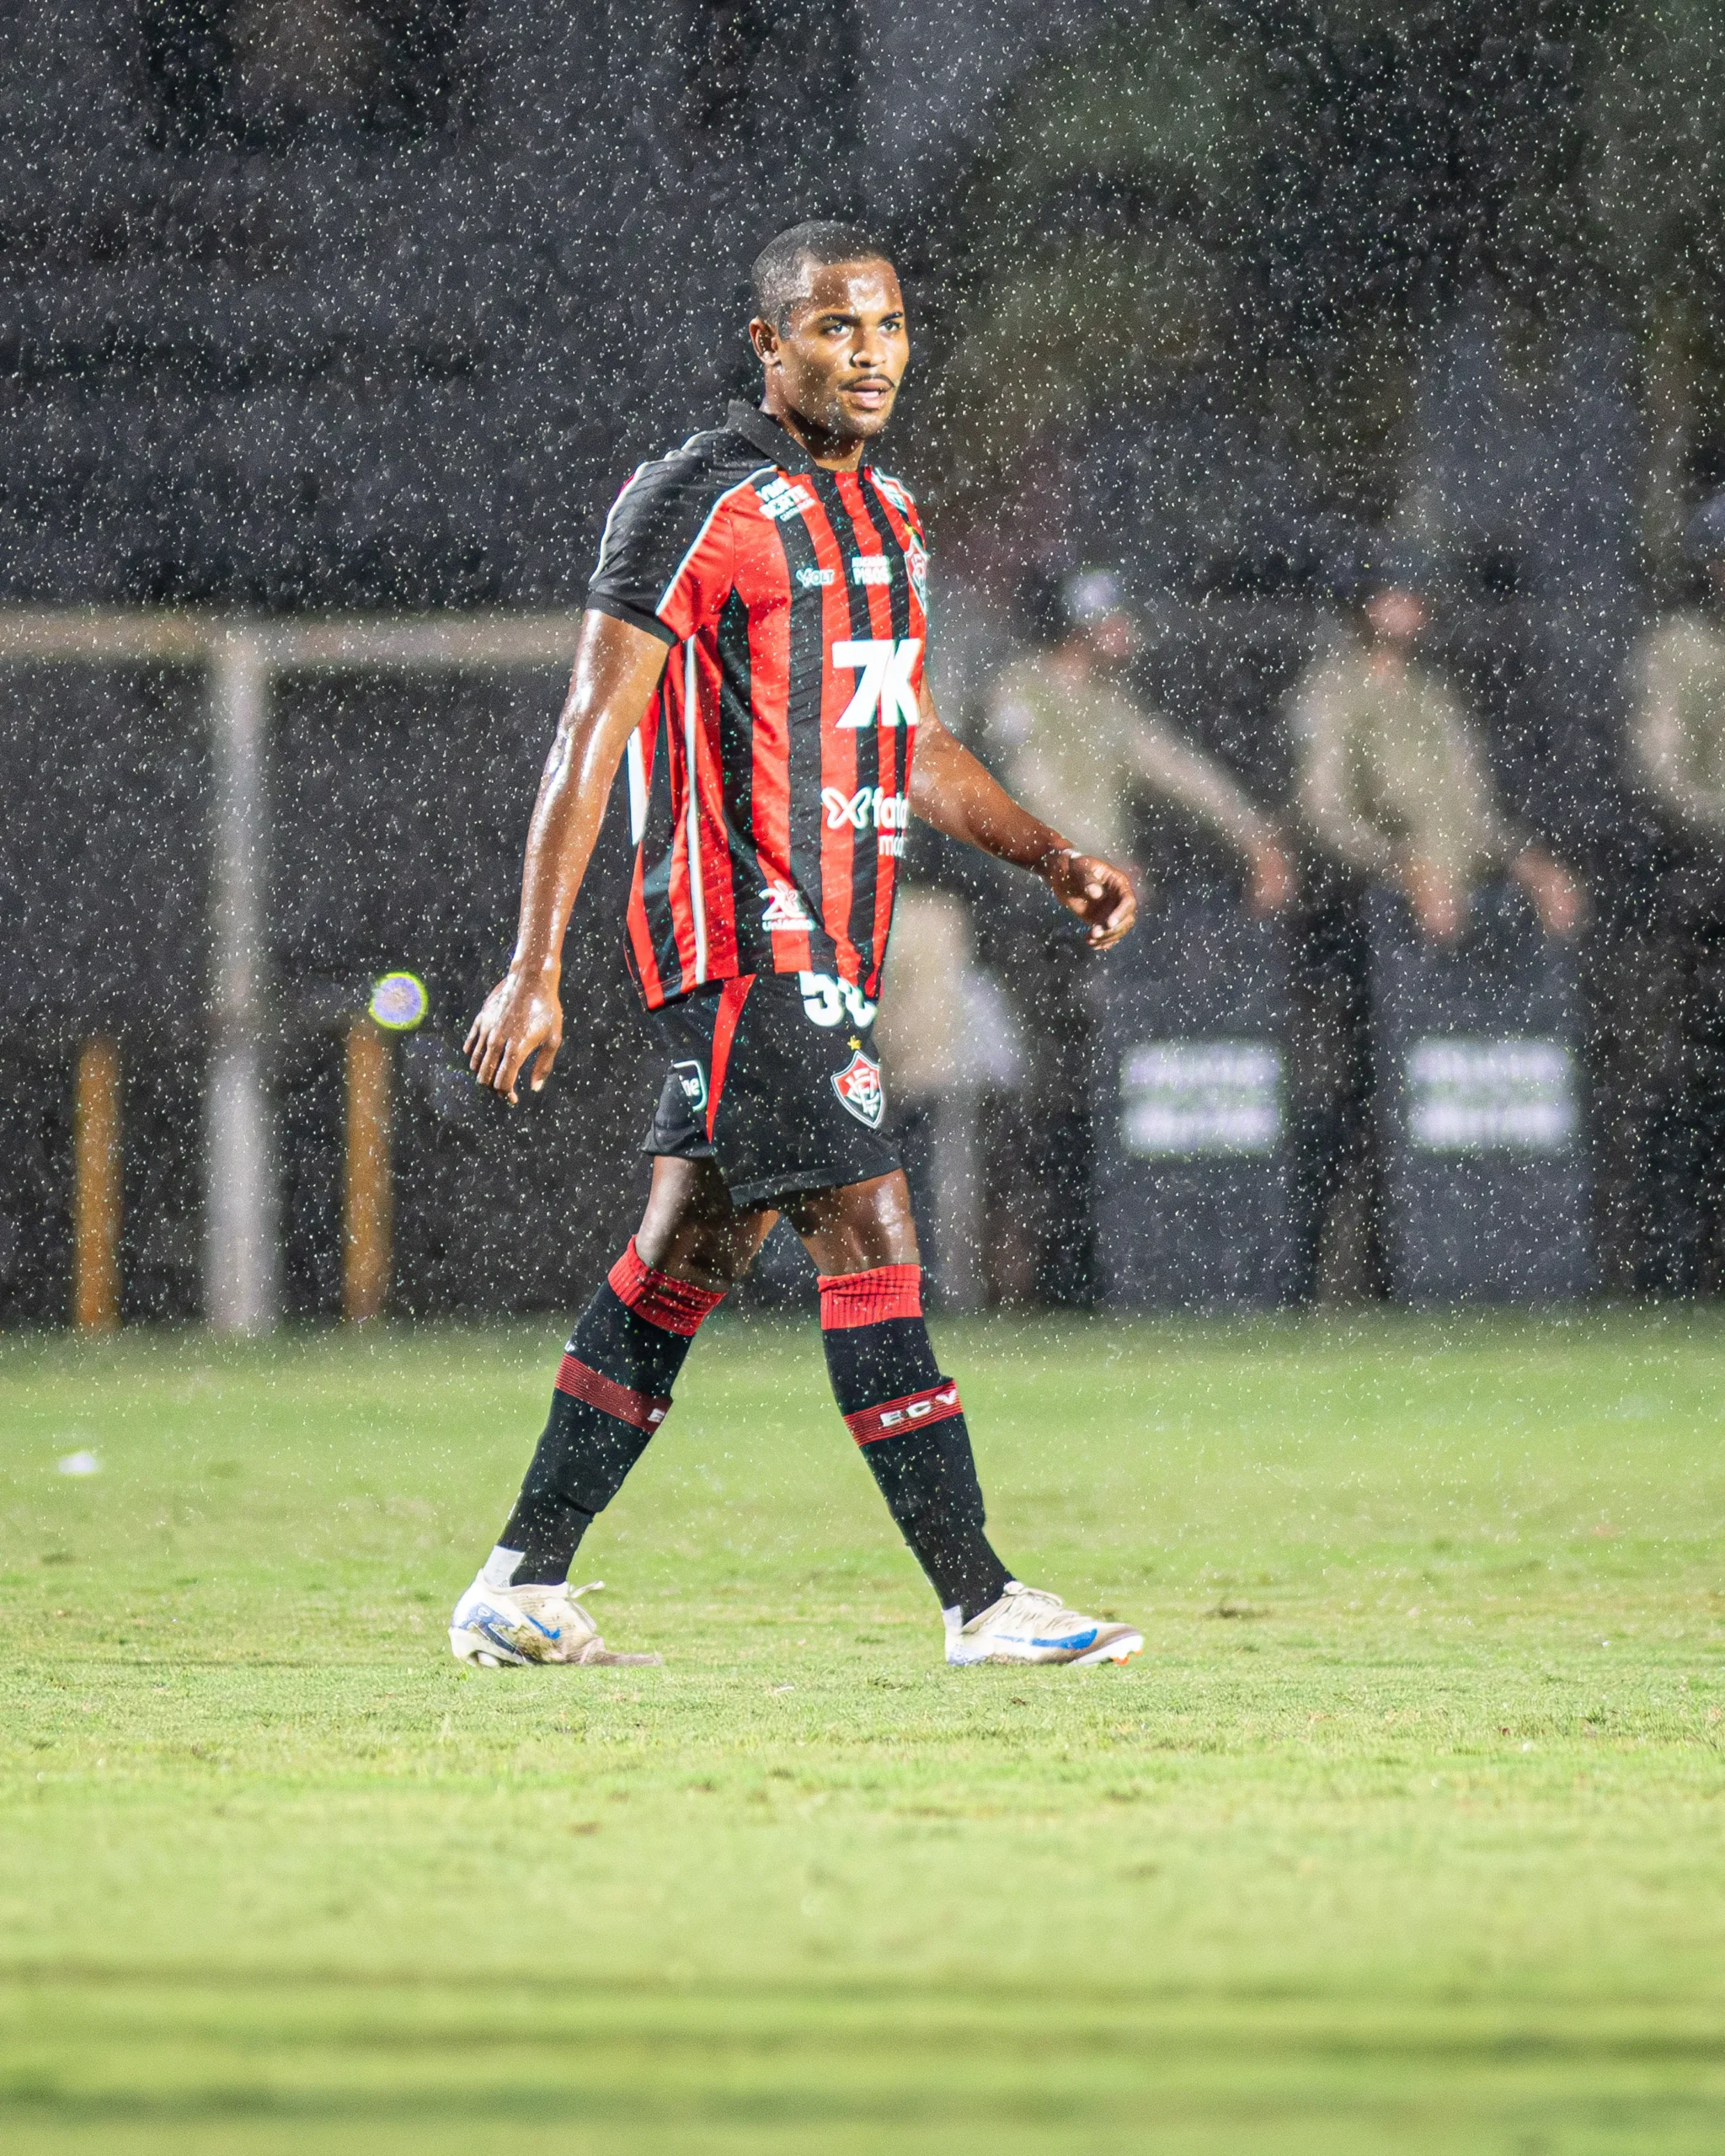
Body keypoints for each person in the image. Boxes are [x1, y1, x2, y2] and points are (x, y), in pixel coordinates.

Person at [451, 221, 1146, 1672]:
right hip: (735, 934)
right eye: (834, 328)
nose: (869, 352)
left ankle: (520, 1580)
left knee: (683, 1254)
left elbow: (915, 745)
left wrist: (1046, 853)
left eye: (886, 325)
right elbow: (593, 726)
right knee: (869, 1232)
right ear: (769, 348)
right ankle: (978, 1599)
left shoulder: (888, 518)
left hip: (834, 937)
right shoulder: (696, 498)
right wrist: (534, 961)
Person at [975, 568, 1294, 1302]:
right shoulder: (1021, 693)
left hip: (1094, 918)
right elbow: (1027, 796)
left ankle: (1089, 1267)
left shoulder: (1107, 705)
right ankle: (1031, 1277)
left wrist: (1253, 836)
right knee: (1041, 1099)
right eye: (1106, 621)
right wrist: (1095, 861)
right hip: (1036, 918)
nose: (1122, 633)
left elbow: (1179, 770)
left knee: (1096, 1092)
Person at [1285, 555, 1582, 1300]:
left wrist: (1524, 862)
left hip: (1453, 929)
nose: (1409, 605)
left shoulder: (1431, 695)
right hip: (1362, 933)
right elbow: (1322, 813)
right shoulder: (1333, 691)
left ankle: (1445, 1271)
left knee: (1450, 1101)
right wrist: (1398, 866)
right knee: (1350, 1108)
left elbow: (1469, 812)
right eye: (1392, 591)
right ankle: (1323, 1280)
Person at [1624, 488, 1725, 1289]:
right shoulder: (1682, 648)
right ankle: (1674, 1266)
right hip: (1703, 884)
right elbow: (1663, 773)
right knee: (1688, 1079)